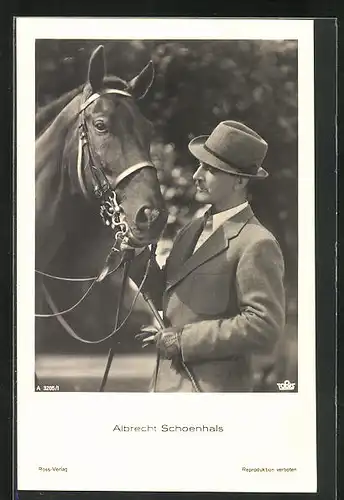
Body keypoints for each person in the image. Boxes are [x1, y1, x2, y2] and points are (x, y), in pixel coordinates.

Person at [129, 120, 286, 392]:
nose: (196, 175)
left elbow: (264, 327)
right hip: (164, 389)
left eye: (210, 169)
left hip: (211, 396)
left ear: (239, 180)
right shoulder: (190, 231)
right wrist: (136, 250)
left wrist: (183, 340)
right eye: (200, 165)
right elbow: (168, 296)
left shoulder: (257, 242)